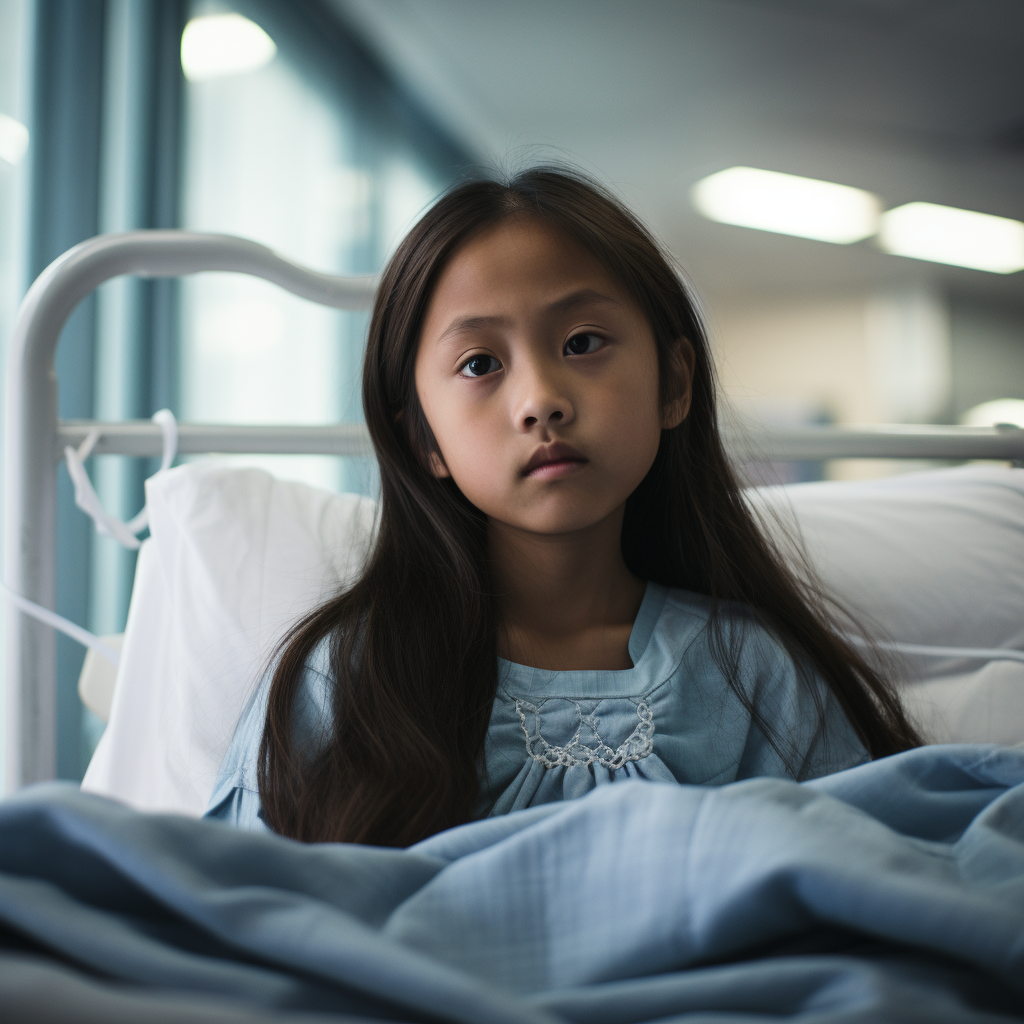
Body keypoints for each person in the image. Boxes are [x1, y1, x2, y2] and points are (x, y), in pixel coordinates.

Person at [205, 167, 921, 846]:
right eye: (480, 364)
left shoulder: (754, 671)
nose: (541, 398)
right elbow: (244, 917)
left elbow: (866, 893)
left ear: (674, 383)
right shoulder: (346, 679)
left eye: (582, 343)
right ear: (421, 437)